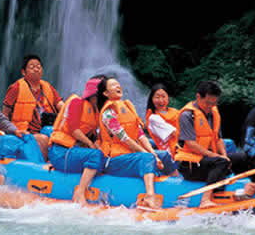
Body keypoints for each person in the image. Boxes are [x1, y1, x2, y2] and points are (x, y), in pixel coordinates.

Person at [98, 77, 177, 209]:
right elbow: (125, 138)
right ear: (105, 93)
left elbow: (140, 136)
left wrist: (154, 154)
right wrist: (150, 155)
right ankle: (150, 196)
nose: (118, 86)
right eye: (113, 85)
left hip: (130, 155)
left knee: (163, 155)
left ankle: (180, 184)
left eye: (118, 84)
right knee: (147, 157)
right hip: (114, 160)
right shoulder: (108, 113)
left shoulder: (127, 107)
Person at [175, 80, 242, 209]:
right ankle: (205, 199)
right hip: (190, 165)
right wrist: (217, 157)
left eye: (214, 103)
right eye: (207, 103)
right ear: (198, 97)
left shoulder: (214, 112)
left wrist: (224, 155)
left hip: (208, 161)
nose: (210, 106)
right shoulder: (187, 115)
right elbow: (191, 144)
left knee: (241, 157)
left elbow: (218, 138)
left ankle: (246, 189)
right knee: (220, 162)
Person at [49, 75, 106, 205]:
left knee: (101, 154)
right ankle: (80, 192)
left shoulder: (96, 112)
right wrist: (90, 144)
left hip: (75, 152)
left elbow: (94, 136)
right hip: (61, 152)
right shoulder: (76, 103)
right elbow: (73, 129)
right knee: (95, 155)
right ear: (92, 95)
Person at [3, 54, 64, 160]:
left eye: (38, 66)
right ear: (23, 72)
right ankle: (43, 165)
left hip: (46, 128)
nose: (36, 69)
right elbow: (5, 114)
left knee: (55, 134)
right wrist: (10, 132)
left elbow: (62, 106)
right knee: (44, 139)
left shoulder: (48, 87)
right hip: (24, 132)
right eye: (32, 67)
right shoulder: (16, 88)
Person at [145, 83, 179, 157]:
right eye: (157, 97)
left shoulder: (174, 111)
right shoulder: (153, 118)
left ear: (168, 98)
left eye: (163, 96)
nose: (161, 100)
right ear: (152, 99)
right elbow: (175, 133)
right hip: (172, 151)